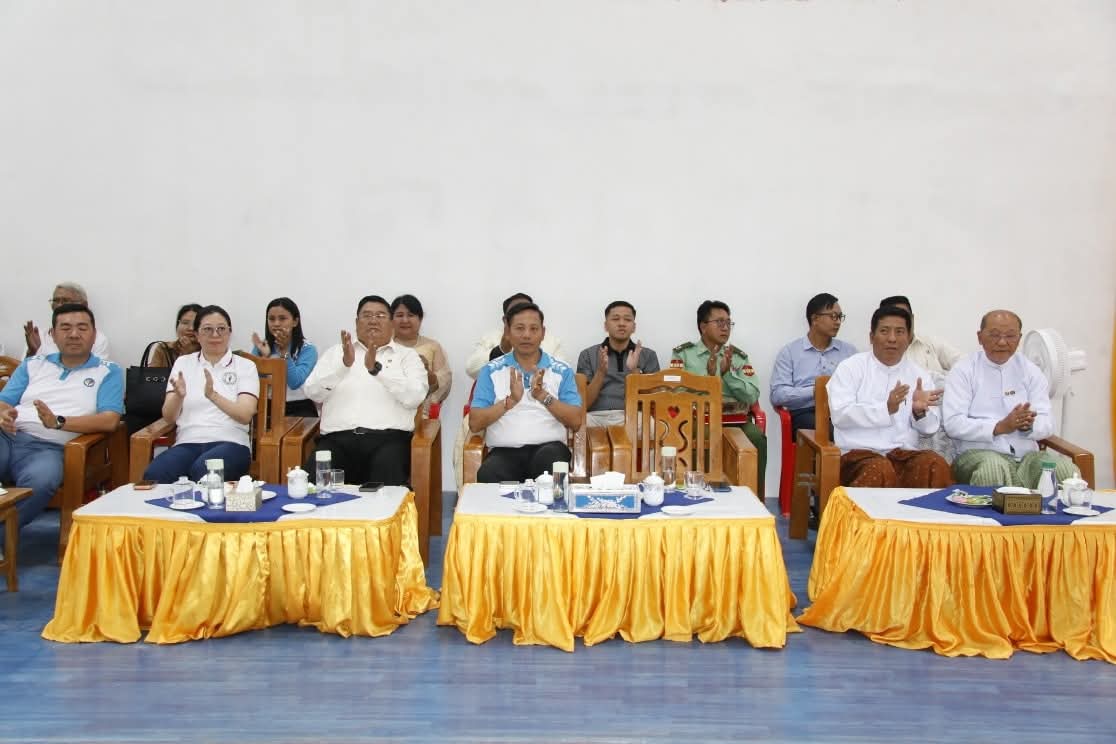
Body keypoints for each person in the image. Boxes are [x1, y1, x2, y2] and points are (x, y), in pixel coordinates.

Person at [0, 303, 123, 536]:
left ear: (94, 334)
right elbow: (4, 400)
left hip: (48, 448)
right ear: (53, 335)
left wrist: (58, 422)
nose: (74, 334)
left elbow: (110, 420)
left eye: (82, 328)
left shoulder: (108, 371)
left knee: (42, 481)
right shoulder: (34, 364)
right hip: (8, 436)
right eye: (65, 328)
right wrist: (3, 413)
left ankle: (3, 537)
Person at [303, 295, 428, 486]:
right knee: (312, 487)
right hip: (337, 440)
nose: (373, 321)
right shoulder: (336, 353)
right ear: (356, 322)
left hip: (389, 441)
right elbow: (312, 392)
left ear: (391, 323)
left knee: (387, 480)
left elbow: (415, 397)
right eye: (367, 315)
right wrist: (343, 366)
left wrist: (377, 371)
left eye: (380, 316)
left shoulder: (407, 357)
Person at [944, 309, 1075, 488]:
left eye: (1010, 336)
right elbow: (953, 424)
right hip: (978, 452)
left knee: (1065, 472)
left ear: (1019, 339)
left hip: (1026, 457)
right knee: (992, 469)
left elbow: (1048, 423)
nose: (1002, 342)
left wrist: (1028, 425)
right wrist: (999, 427)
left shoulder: (1031, 371)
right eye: (994, 335)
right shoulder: (964, 370)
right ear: (980, 337)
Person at [826, 305, 951, 488]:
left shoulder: (919, 375)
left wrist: (919, 413)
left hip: (902, 455)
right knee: (879, 469)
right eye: (884, 331)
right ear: (871, 337)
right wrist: (885, 409)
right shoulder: (850, 368)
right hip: (858, 455)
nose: (892, 339)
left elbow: (929, 428)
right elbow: (840, 415)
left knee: (934, 464)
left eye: (899, 332)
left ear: (909, 338)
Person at [455, 292, 567, 489]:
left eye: (533, 327)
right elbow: (472, 369)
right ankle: (465, 498)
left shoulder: (553, 349)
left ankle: (556, 506)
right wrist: (502, 348)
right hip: (502, 431)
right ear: (506, 323)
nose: (526, 334)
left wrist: (543, 393)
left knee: (552, 462)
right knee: (487, 468)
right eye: (518, 325)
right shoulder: (490, 343)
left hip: (547, 434)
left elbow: (573, 413)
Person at [143, 306, 260, 483]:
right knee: (156, 474)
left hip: (231, 443)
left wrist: (213, 396)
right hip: (187, 443)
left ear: (230, 333)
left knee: (205, 471)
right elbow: (169, 416)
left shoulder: (245, 366)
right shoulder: (183, 363)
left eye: (221, 329)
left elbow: (245, 415)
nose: (215, 335)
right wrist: (178, 396)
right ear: (197, 335)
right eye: (207, 329)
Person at [672, 300, 767, 496]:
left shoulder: (738, 357)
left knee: (756, 437)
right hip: (698, 420)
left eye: (728, 323)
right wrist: (708, 379)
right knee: (699, 436)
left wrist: (727, 375)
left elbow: (752, 395)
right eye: (719, 322)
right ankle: (696, 493)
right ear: (703, 326)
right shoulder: (684, 354)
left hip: (735, 421)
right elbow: (676, 393)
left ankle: (753, 497)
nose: (725, 328)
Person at [880, 295, 962, 462]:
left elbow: (964, 366)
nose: (900, 319)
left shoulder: (930, 343)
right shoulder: (882, 353)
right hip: (908, 415)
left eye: (904, 315)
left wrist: (941, 383)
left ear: (912, 318)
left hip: (939, 406)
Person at [770, 293, 857, 435]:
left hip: (842, 411)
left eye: (840, 317)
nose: (838, 322)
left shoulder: (849, 351)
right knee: (832, 432)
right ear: (815, 319)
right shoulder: (790, 352)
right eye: (833, 316)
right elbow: (777, 395)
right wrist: (816, 391)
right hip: (805, 413)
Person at [576, 300, 660, 427]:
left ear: (634, 327)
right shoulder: (587, 354)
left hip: (633, 416)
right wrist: (600, 372)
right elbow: (583, 404)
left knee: (652, 426)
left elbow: (653, 402)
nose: (621, 324)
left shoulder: (648, 355)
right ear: (606, 326)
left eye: (627, 319)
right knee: (576, 424)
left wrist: (635, 371)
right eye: (615, 319)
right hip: (595, 416)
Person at [464, 292, 567, 379]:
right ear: (505, 320)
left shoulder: (551, 341)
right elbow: (471, 370)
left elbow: (563, 376)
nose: (523, 315)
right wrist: (501, 350)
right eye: (516, 313)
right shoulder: (489, 338)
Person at [250, 297, 319, 418]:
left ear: (295, 321)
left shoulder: (308, 349)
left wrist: (284, 353)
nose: (276, 323)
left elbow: (294, 382)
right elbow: (253, 384)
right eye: (271, 319)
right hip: (268, 405)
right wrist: (264, 358)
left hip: (299, 407)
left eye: (282, 318)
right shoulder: (262, 346)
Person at [390, 294, 452, 419]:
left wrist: (427, 374)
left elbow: (444, 382)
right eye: (399, 315)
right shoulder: (383, 347)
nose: (405, 320)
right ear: (391, 319)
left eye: (410, 315)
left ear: (420, 318)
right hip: (386, 412)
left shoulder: (432, 346)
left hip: (421, 414)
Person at [23, 282, 111, 361]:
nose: (59, 305)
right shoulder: (38, 336)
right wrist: (32, 353)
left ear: (84, 305)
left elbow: (97, 372)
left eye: (65, 301)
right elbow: (24, 372)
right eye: (56, 301)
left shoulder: (97, 339)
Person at [147, 304, 203, 368]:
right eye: (185, 323)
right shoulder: (164, 348)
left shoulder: (209, 350)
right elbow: (153, 373)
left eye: (196, 324)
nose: (191, 328)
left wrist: (189, 354)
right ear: (178, 324)